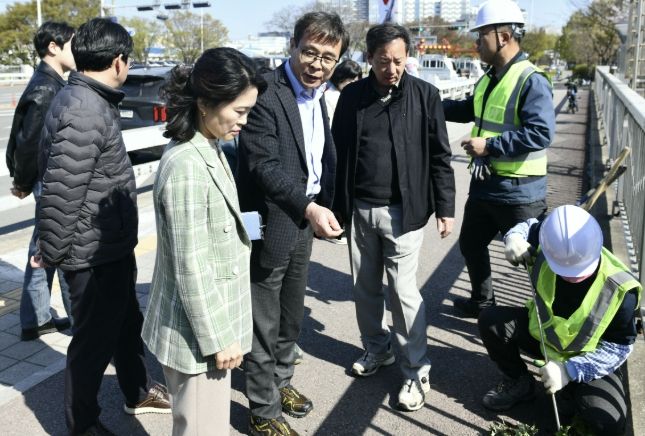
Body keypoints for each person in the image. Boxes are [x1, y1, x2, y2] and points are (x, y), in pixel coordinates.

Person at [35, 18, 170, 435]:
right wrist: (53, 253)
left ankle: (137, 391)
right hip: (90, 254)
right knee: (92, 345)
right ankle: (83, 424)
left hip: (108, 245)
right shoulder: (84, 108)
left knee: (126, 325)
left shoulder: (88, 98)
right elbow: (62, 192)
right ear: (118, 61)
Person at [141, 48, 266, 436]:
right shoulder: (188, 165)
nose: (244, 121)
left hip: (203, 329)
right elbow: (190, 265)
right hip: (198, 337)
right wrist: (219, 339)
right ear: (205, 103)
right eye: (239, 111)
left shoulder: (207, 145)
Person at [332, 23, 455, 412]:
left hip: (405, 210)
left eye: (399, 61)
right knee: (364, 288)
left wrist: (446, 208)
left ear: (407, 58)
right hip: (360, 209)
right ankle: (377, 348)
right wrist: (335, 208)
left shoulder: (425, 95)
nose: (392, 69)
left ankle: (417, 370)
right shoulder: (351, 97)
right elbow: (337, 153)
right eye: (383, 61)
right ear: (369, 58)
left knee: (402, 293)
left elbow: (441, 155)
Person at [236, 11, 349, 436]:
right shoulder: (266, 91)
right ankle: (262, 410)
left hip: (303, 218)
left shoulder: (320, 94)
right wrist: (310, 208)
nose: (317, 65)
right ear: (293, 45)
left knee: (291, 314)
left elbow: (315, 158)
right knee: (263, 319)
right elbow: (263, 165)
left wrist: (321, 206)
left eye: (328, 58)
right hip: (267, 220)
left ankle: (280, 382)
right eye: (310, 52)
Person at [479, 205, 641, 435]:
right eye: (565, 270)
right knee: (490, 320)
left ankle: (571, 391)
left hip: (586, 358)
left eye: (580, 270)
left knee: (608, 422)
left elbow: (617, 349)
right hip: (545, 340)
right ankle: (519, 382)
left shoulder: (621, 290)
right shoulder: (550, 239)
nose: (573, 276)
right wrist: (513, 237)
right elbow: (529, 227)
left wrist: (570, 370)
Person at [442, 0, 555, 317]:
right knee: (471, 243)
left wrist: (489, 146)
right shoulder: (490, 77)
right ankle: (483, 302)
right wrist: (429, 103)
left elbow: (540, 133)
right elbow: (469, 108)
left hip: (520, 192)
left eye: (481, 36)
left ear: (503, 37)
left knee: (532, 260)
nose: (476, 43)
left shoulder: (531, 79)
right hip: (486, 185)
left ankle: (548, 321)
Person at [5, 21, 75, 341]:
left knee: (43, 246)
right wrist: (22, 181)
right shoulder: (47, 88)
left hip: (44, 178)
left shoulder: (48, 82)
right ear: (53, 47)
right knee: (59, 247)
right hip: (48, 179)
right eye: (71, 44)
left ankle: (36, 318)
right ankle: (76, 321)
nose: (76, 51)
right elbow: (30, 142)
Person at [322, 59, 362, 246]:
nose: (353, 83)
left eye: (356, 80)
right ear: (340, 77)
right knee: (335, 189)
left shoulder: (343, 94)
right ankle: (335, 228)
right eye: (349, 80)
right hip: (332, 147)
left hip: (341, 147)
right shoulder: (330, 96)